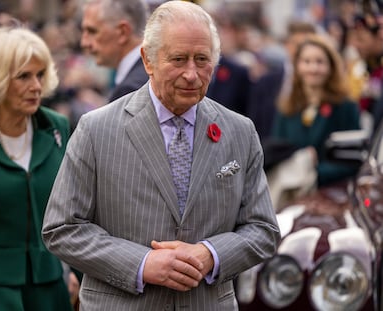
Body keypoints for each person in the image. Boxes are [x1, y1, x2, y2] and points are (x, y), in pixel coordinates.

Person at [42, 1, 280, 310]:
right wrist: (142, 263)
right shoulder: (96, 129)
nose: (192, 74)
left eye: (202, 60)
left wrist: (211, 254)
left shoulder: (240, 131)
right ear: (148, 59)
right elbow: (62, 228)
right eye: (179, 59)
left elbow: (263, 230)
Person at [0, 26, 72, 310]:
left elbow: (76, 208)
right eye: (24, 76)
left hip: (49, 289)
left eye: (40, 75)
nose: (37, 86)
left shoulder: (57, 126)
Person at [270, 34, 361, 196]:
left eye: (320, 62)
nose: (313, 68)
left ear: (331, 67)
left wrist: (314, 172)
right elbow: (277, 149)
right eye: (306, 62)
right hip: (290, 194)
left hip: (332, 195)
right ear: (297, 66)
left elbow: (353, 159)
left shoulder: (345, 106)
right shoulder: (287, 106)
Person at [80, 0, 149, 102]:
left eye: (92, 31)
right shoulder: (146, 75)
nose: (84, 43)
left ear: (123, 32)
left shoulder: (131, 89)